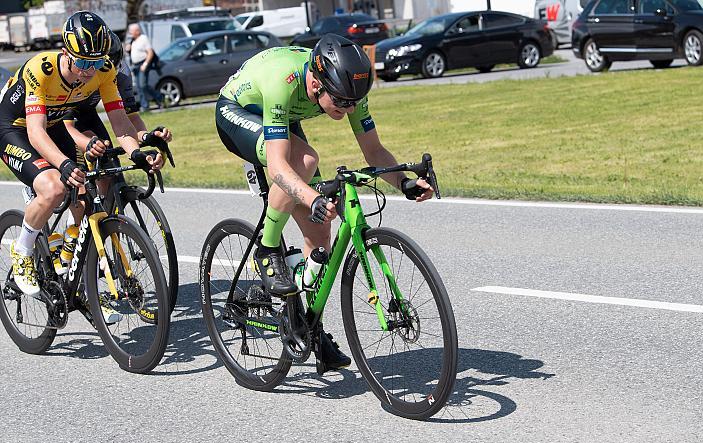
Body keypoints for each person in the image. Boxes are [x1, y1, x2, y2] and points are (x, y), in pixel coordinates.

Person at [215, 34, 433, 372]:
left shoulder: (346, 89)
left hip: (283, 118)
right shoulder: (283, 82)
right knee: (305, 161)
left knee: (320, 234)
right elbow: (277, 166)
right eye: (342, 102)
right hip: (239, 111)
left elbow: (374, 151)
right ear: (316, 82)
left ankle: (308, 329)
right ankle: (267, 250)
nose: (348, 109)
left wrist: (404, 181)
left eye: (353, 103)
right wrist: (311, 196)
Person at [0, 11, 163, 312]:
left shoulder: (104, 70)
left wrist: (137, 152)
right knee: (53, 188)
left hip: (53, 123)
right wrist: (62, 165)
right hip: (16, 127)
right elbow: (35, 133)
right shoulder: (42, 69)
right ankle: (21, 250)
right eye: (83, 62)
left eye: (96, 61)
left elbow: (120, 124)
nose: (90, 70)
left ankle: (72, 261)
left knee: (87, 198)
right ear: (65, 53)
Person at [64, 30, 173, 172]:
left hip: (88, 114)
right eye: (97, 67)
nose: (103, 75)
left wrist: (147, 136)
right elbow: (67, 127)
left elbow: (130, 119)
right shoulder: (77, 75)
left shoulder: (121, 74)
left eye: (110, 68)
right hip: (63, 120)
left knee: (110, 165)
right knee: (80, 174)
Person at [126, 23, 163, 112]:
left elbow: (150, 52)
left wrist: (145, 64)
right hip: (135, 66)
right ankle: (145, 106)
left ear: (137, 31)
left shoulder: (143, 39)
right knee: (139, 87)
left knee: (143, 85)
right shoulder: (133, 40)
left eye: (131, 31)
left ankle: (158, 98)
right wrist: (128, 49)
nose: (130, 33)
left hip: (142, 65)